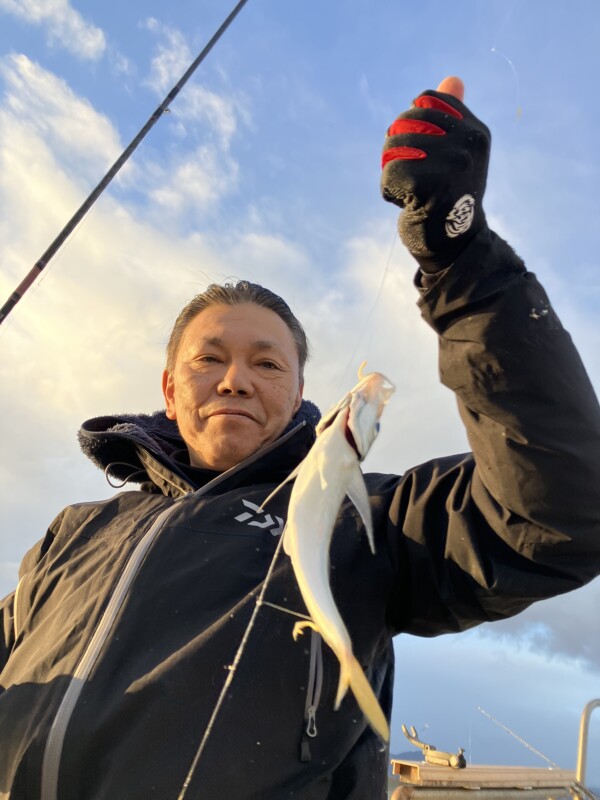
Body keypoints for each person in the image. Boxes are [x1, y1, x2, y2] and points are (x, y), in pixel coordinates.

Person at [1, 76, 599, 800]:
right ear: (168, 389)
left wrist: (462, 260)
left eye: (265, 363)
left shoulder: (372, 523)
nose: (234, 381)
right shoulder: (74, 535)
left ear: (298, 395)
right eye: (209, 359)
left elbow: (558, 513)